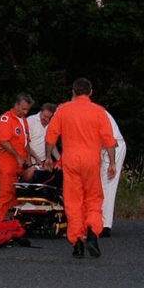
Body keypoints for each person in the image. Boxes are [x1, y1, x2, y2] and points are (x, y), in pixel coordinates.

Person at [45, 78, 116, 259]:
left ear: (73, 91)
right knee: (93, 198)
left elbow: (51, 136)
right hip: (91, 160)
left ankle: (77, 241)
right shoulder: (99, 112)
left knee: (73, 201)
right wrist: (113, 163)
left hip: (70, 160)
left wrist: (47, 157)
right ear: (90, 92)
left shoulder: (63, 110)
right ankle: (93, 232)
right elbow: (108, 140)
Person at [0, 94, 34, 222]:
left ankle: (14, 223)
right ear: (16, 105)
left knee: (19, 195)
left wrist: (29, 159)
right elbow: (3, 141)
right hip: (8, 163)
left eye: (27, 109)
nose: (25, 112)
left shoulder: (24, 120)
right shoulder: (6, 119)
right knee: (6, 193)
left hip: (20, 164)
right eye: (23, 109)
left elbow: (26, 142)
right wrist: (17, 156)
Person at [100, 110, 127, 237]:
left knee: (107, 184)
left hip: (113, 145)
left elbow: (108, 139)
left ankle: (105, 224)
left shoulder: (97, 113)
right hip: (103, 146)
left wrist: (112, 163)